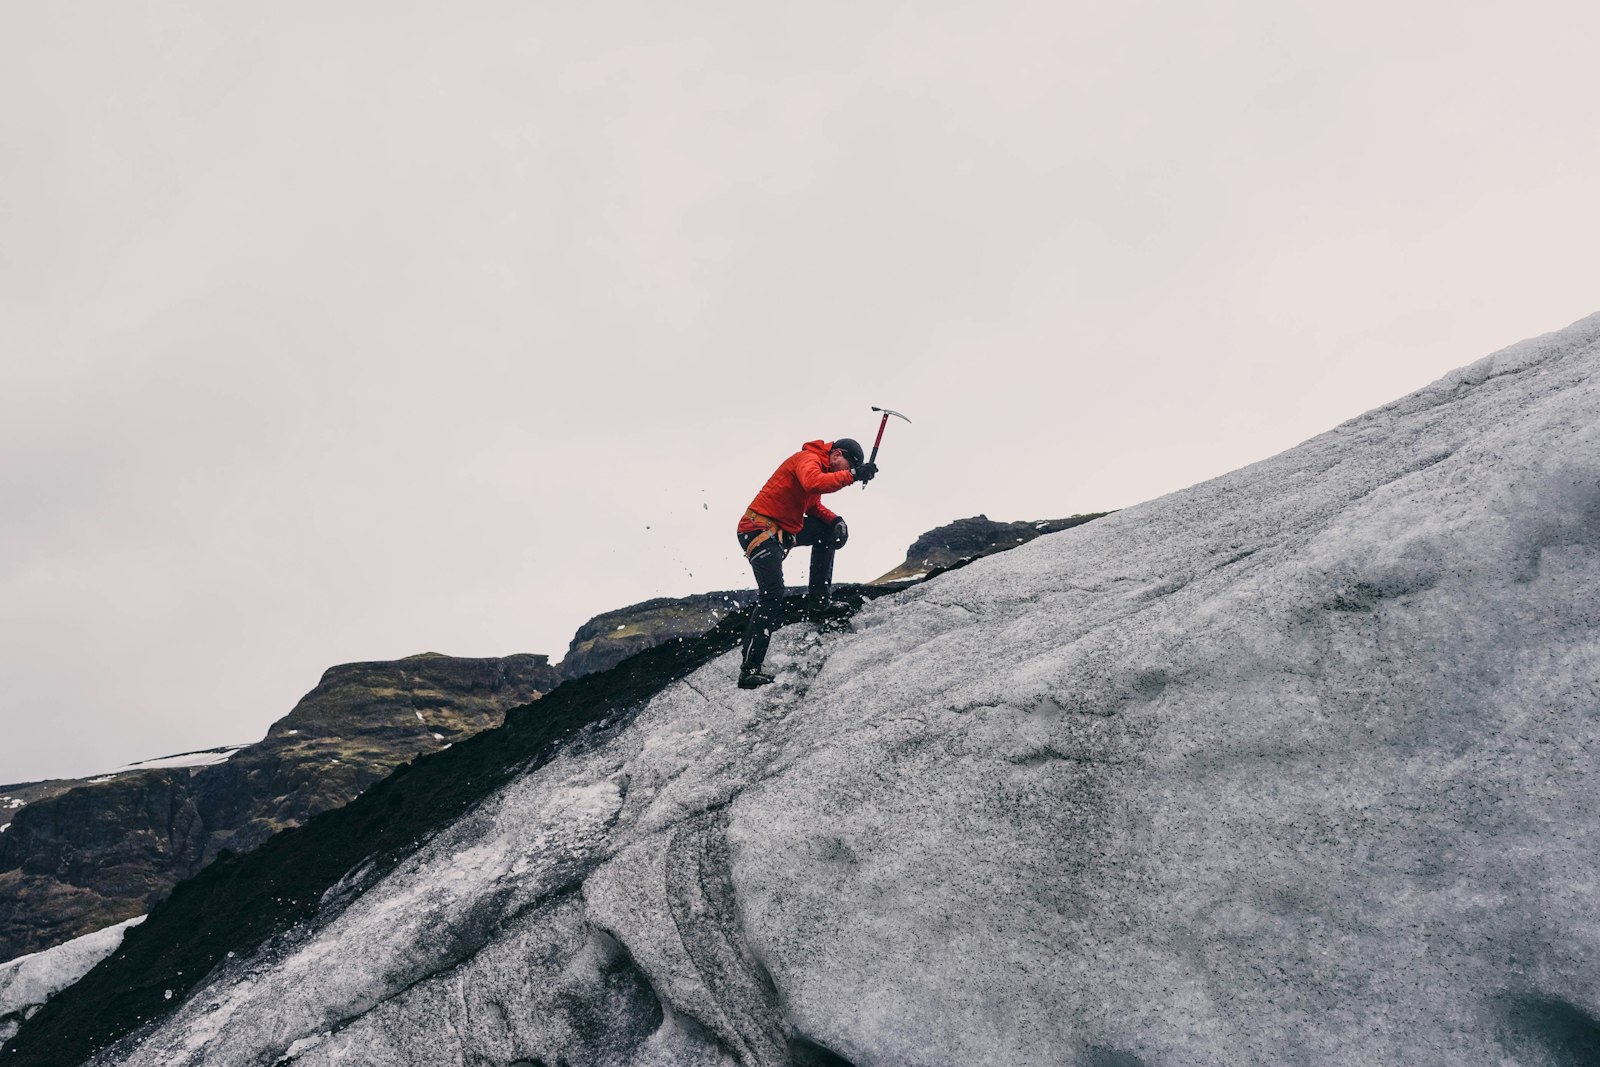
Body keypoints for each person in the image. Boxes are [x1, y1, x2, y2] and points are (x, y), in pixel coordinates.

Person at [735, 438, 878, 688]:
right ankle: (749, 670)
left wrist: (836, 521)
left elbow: (813, 506)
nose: (843, 471)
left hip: (780, 532)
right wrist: (854, 475)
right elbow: (813, 482)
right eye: (845, 465)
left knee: (826, 531)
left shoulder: (819, 468)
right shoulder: (808, 460)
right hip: (758, 530)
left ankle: (819, 602)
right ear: (836, 455)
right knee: (772, 595)